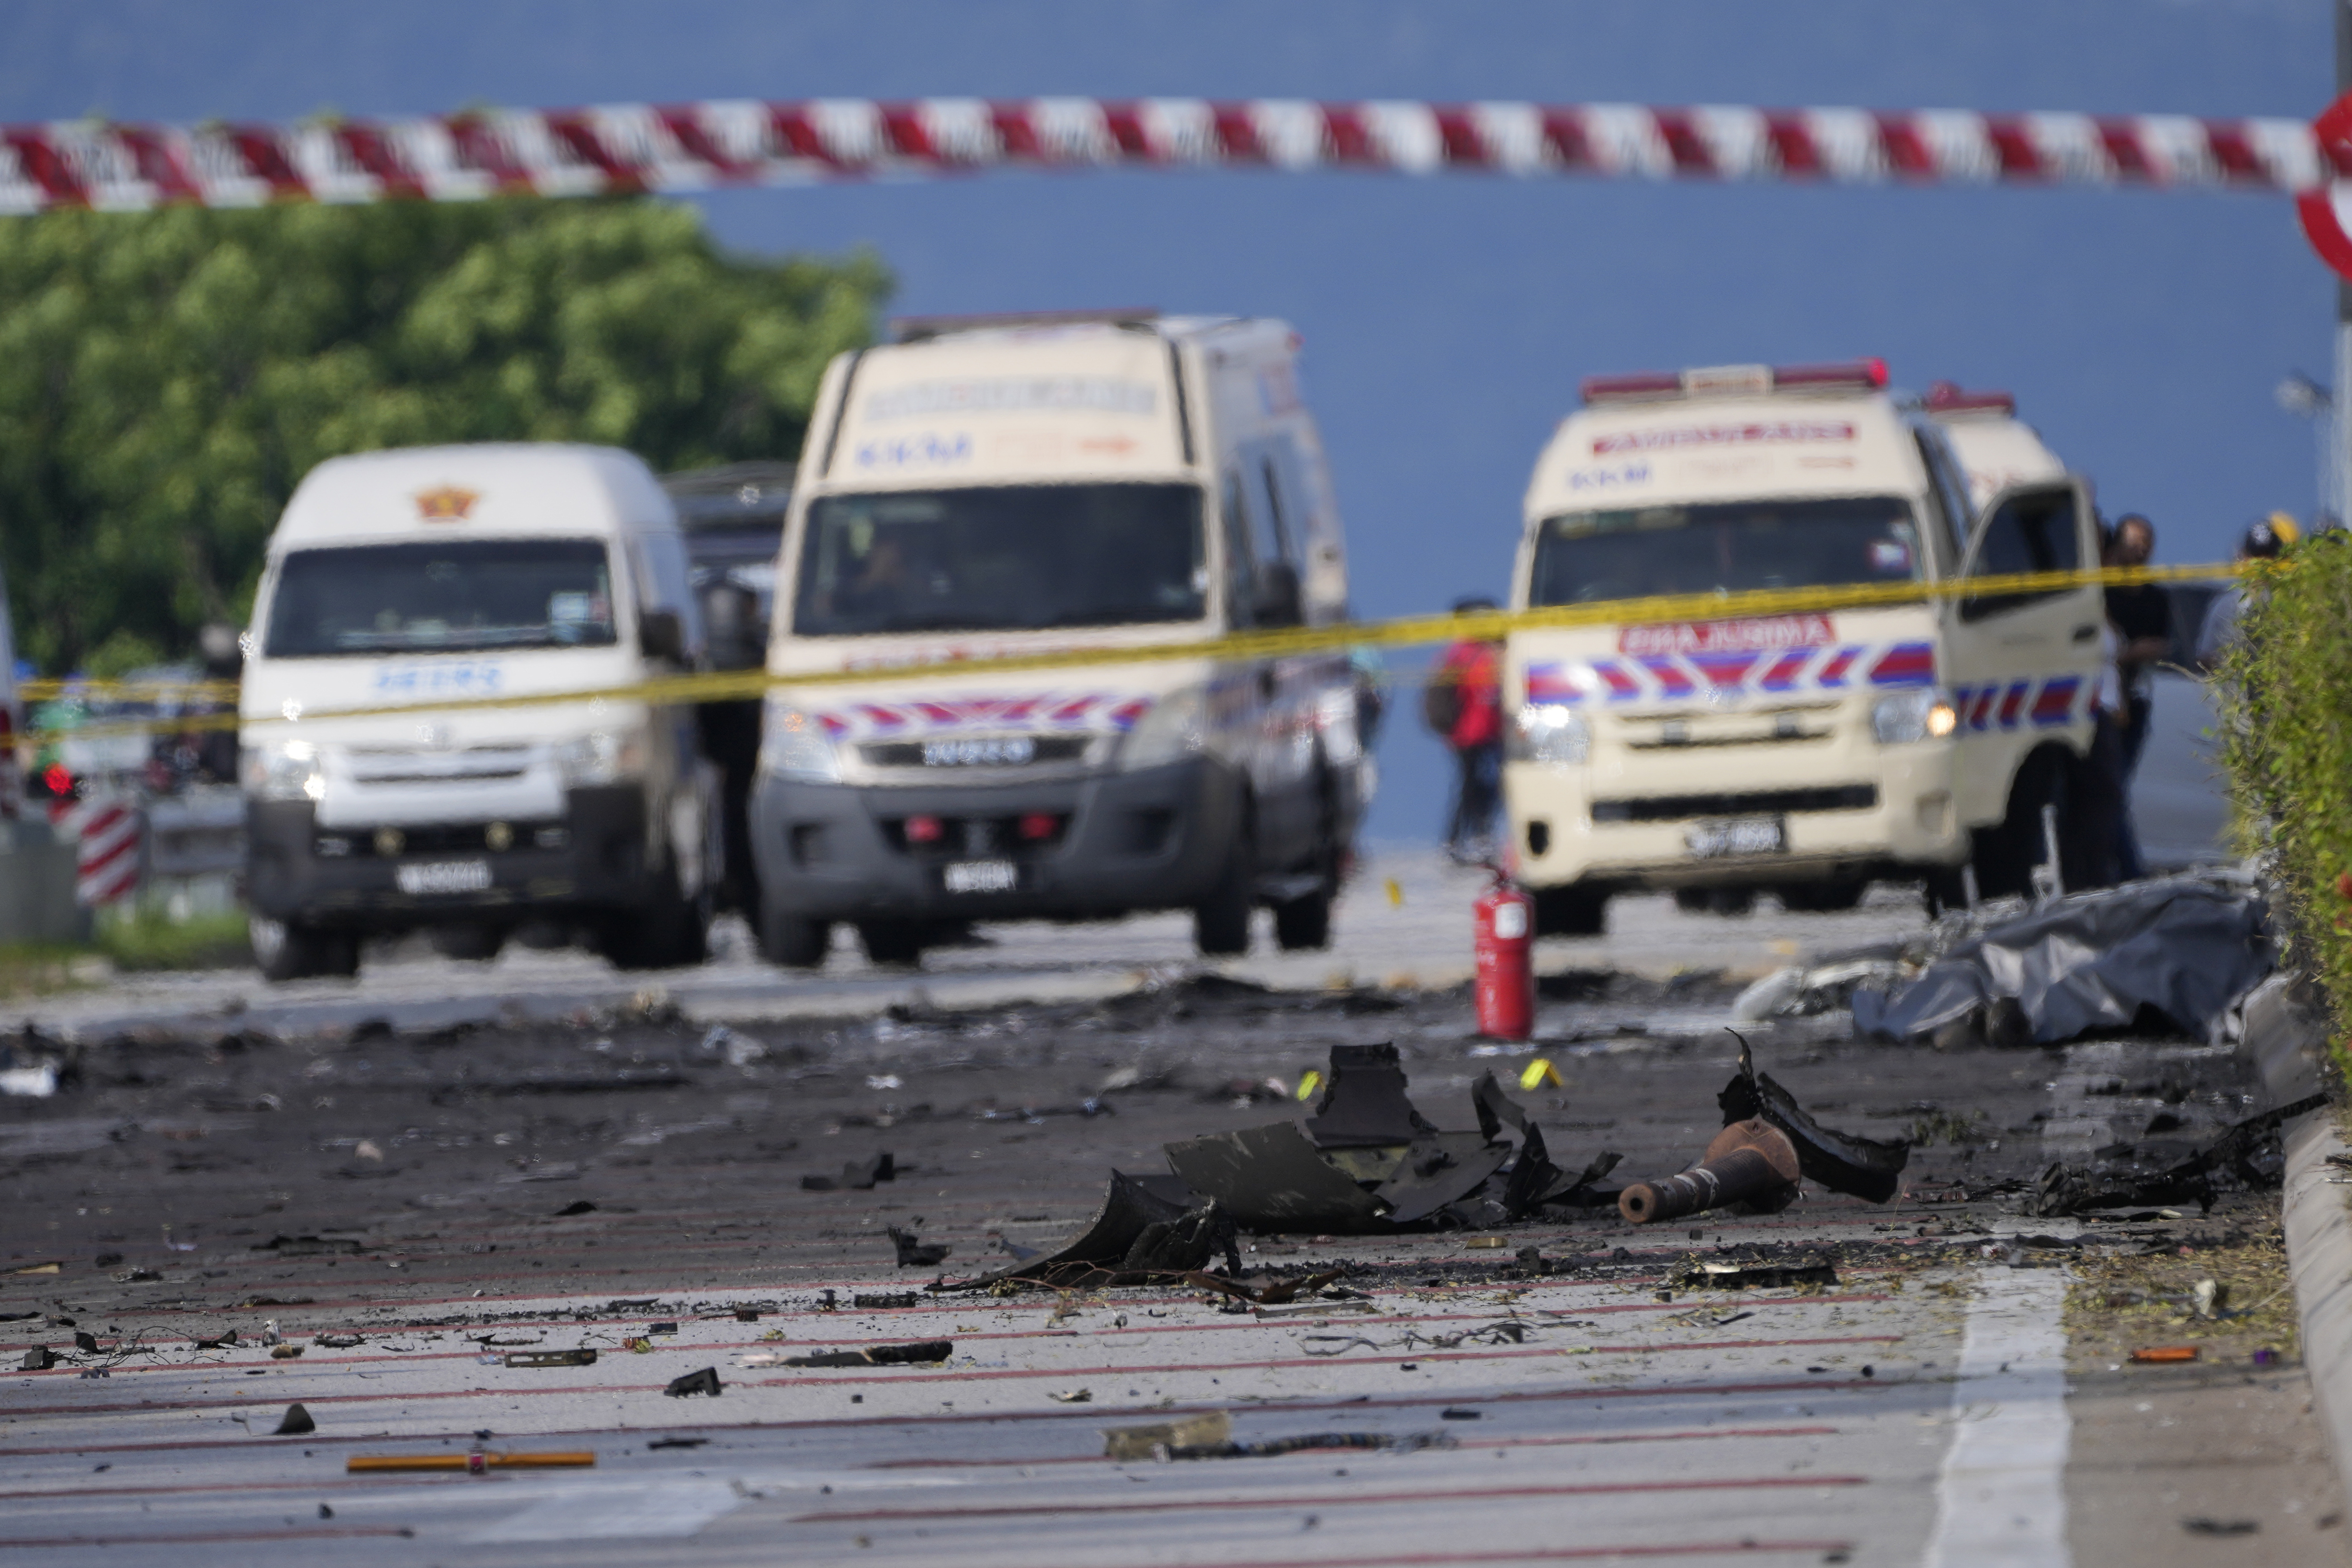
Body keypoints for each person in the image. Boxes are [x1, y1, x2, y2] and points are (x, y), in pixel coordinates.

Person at [2099, 514, 2170, 882]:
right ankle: (2124, 869)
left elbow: (2159, 643)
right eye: (2134, 541)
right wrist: (2128, 651)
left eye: (2147, 542)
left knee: (2116, 787)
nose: (2140, 549)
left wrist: (2125, 653)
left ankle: (2125, 870)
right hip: (2104, 703)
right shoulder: (2099, 591)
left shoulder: (2154, 596)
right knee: (2108, 790)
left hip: (2134, 701)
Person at [1426, 595, 1504, 863]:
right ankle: (1462, 839)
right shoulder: (1461, 654)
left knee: (1489, 785)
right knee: (1471, 786)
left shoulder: (1484, 651)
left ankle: (1476, 836)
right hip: (1468, 733)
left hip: (1492, 731)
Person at [2195, 513, 2297, 668]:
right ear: (2243, 557)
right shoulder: (2226, 606)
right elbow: (2206, 656)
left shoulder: (2289, 605)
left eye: (2269, 557)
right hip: (2234, 688)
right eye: (2256, 556)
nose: (2262, 564)